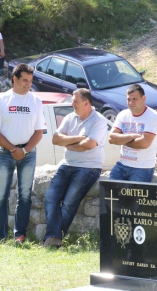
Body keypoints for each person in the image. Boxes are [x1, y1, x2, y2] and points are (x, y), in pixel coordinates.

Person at [0, 64, 45, 244]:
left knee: (25, 195)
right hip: (6, 153)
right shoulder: (2, 100)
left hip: (28, 153)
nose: (28, 84)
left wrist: (24, 150)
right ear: (15, 79)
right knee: (0, 195)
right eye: (25, 80)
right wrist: (13, 149)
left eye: (30, 81)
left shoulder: (35, 101)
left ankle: (19, 235)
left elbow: (39, 131)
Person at [43, 89, 108, 248]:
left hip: (89, 167)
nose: (72, 104)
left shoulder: (99, 121)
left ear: (86, 103)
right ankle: (55, 238)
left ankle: (52, 239)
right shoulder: (70, 118)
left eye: (75, 101)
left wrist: (68, 143)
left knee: (69, 201)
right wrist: (79, 139)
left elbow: (89, 145)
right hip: (67, 164)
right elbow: (56, 139)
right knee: (50, 198)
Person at [108, 84, 157, 182]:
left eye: (134, 99)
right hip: (122, 164)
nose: (131, 102)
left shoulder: (152, 116)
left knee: (133, 197)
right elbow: (111, 138)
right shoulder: (123, 115)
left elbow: (144, 143)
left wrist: (121, 139)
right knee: (109, 193)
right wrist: (132, 136)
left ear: (143, 98)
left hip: (142, 167)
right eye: (128, 99)